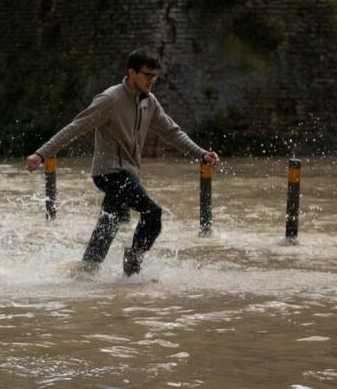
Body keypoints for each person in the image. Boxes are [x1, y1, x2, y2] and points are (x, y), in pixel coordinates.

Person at [24, 49, 220, 276]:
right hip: (109, 173)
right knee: (152, 212)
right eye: (147, 75)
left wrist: (201, 154)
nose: (151, 81)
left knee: (109, 224)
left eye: (154, 76)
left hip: (128, 174)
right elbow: (74, 128)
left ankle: (84, 274)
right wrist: (41, 155)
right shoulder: (110, 99)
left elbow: (172, 132)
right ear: (131, 73)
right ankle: (132, 265)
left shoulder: (149, 102)